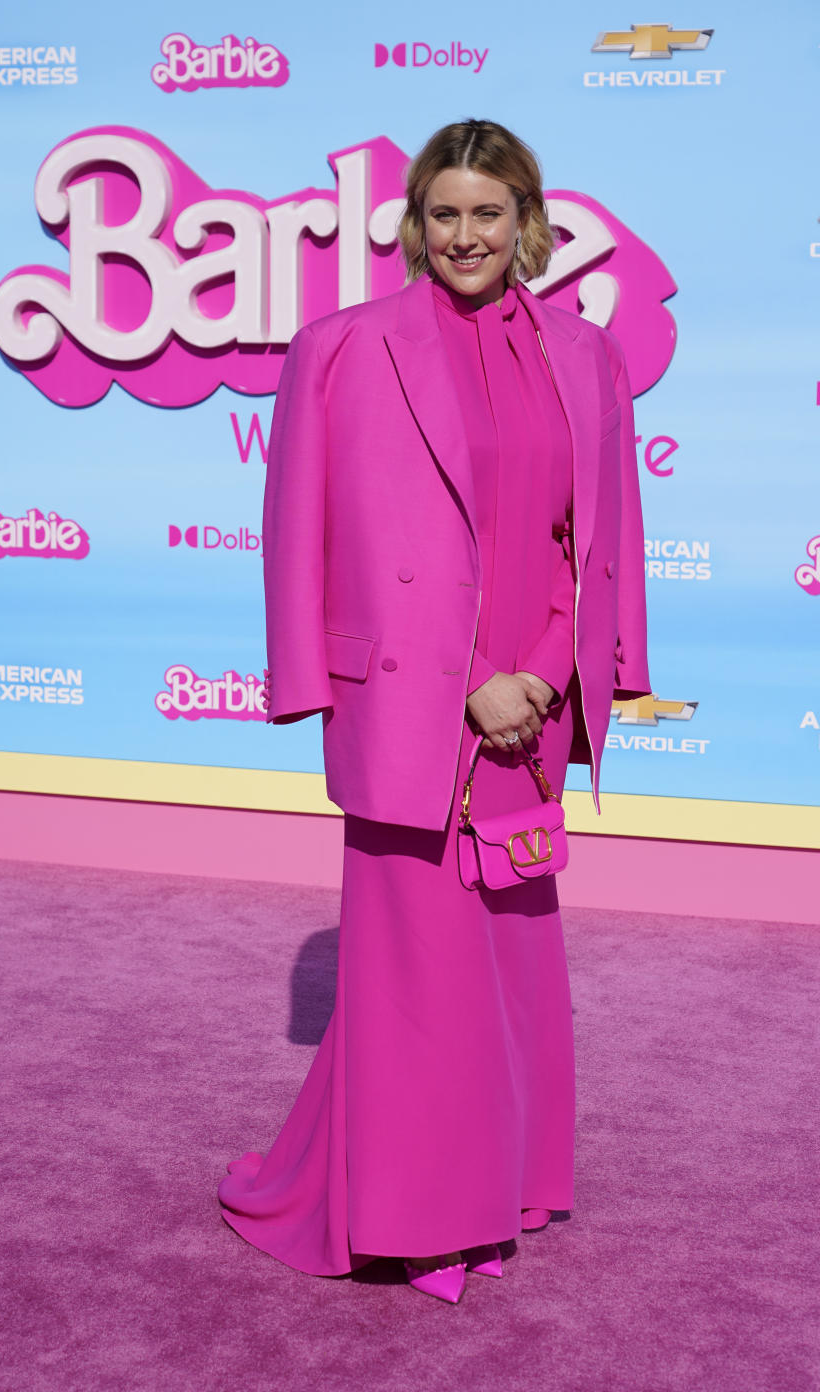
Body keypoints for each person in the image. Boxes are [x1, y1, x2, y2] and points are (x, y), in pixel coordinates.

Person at [218, 118, 650, 1304]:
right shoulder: (341, 348)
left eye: (489, 212)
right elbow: (301, 537)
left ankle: (500, 1183)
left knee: (510, 953)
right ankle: (414, 1214)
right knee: (416, 970)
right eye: (444, 214)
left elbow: (600, 541)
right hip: (415, 703)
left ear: (527, 221)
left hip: (533, 699)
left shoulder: (584, 355)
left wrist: (559, 674)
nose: (467, 235)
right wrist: (454, 682)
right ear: (415, 223)